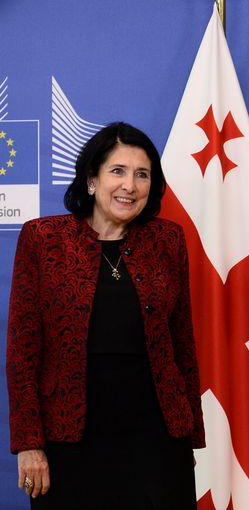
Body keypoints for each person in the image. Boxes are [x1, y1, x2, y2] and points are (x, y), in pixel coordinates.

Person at [6, 122, 205, 509]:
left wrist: (188, 434)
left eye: (142, 174)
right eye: (118, 171)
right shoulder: (43, 239)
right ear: (91, 180)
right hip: (70, 441)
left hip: (158, 439)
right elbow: (22, 350)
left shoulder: (168, 240)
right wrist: (29, 443)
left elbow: (182, 342)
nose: (130, 185)